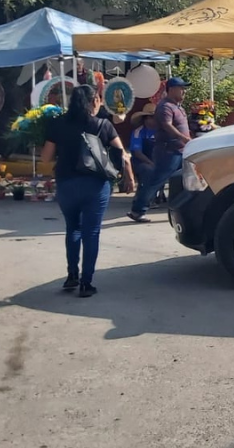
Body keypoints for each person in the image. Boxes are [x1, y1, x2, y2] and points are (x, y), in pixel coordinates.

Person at [41, 85, 133, 297]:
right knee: (91, 232)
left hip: (66, 184)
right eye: (98, 99)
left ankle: (72, 275)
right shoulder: (103, 125)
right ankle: (86, 282)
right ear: (94, 101)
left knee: (72, 228)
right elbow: (122, 153)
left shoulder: (57, 124)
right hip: (95, 185)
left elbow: (46, 158)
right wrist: (129, 177)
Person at [128, 77, 191, 223]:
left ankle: (184, 209)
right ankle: (138, 210)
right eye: (181, 88)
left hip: (181, 150)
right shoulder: (165, 106)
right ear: (171, 89)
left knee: (187, 179)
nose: (184, 91)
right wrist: (184, 138)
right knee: (156, 181)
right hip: (168, 151)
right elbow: (167, 126)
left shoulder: (178, 107)